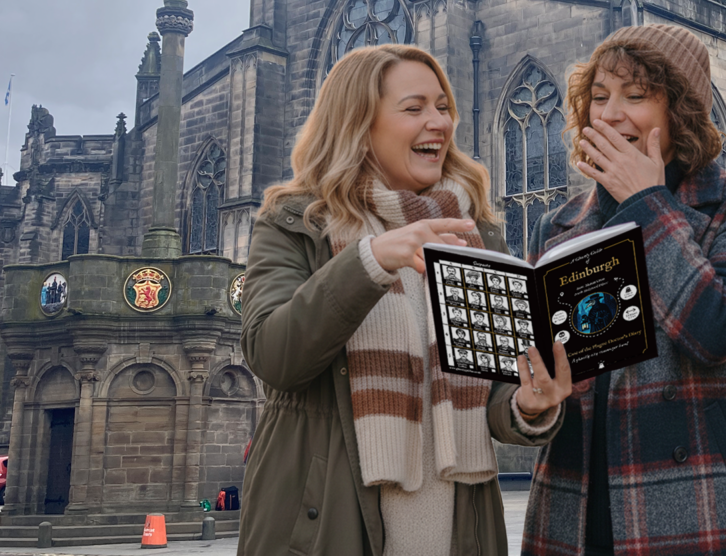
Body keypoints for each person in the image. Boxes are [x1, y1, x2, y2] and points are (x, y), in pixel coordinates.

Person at [238, 44, 573, 556]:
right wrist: (369, 260)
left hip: (458, 530)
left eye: (443, 107)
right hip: (329, 526)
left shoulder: (473, 233)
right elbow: (273, 354)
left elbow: (495, 396)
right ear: (358, 123)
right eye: (414, 108)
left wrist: (527, 405)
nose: (438, 121)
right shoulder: (296, 223)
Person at [522, 24, 726, 555]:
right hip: (576, 509)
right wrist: (532, 405)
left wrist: (646, 202)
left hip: (701, 505)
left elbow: (718, 329)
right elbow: (540, 375)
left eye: (635, 96)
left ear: (680, 111)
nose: (610, 113)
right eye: (599, 97)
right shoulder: (559, 227)